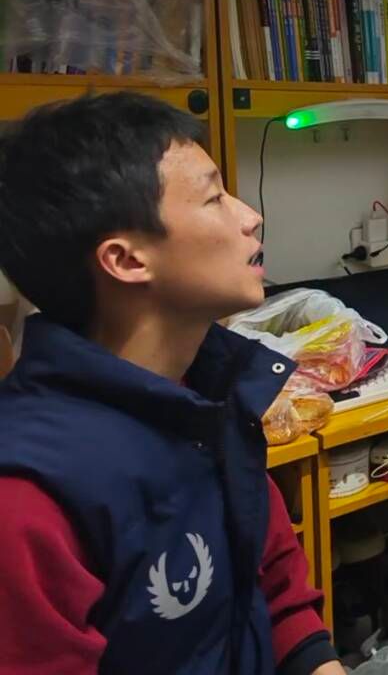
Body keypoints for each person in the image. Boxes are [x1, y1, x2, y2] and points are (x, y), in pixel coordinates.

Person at [0, 93, 342, 675]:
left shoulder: (210, 397)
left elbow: (278, 596)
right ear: (127, 260)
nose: (249, 216)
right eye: (214, 197)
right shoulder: (27, 499)